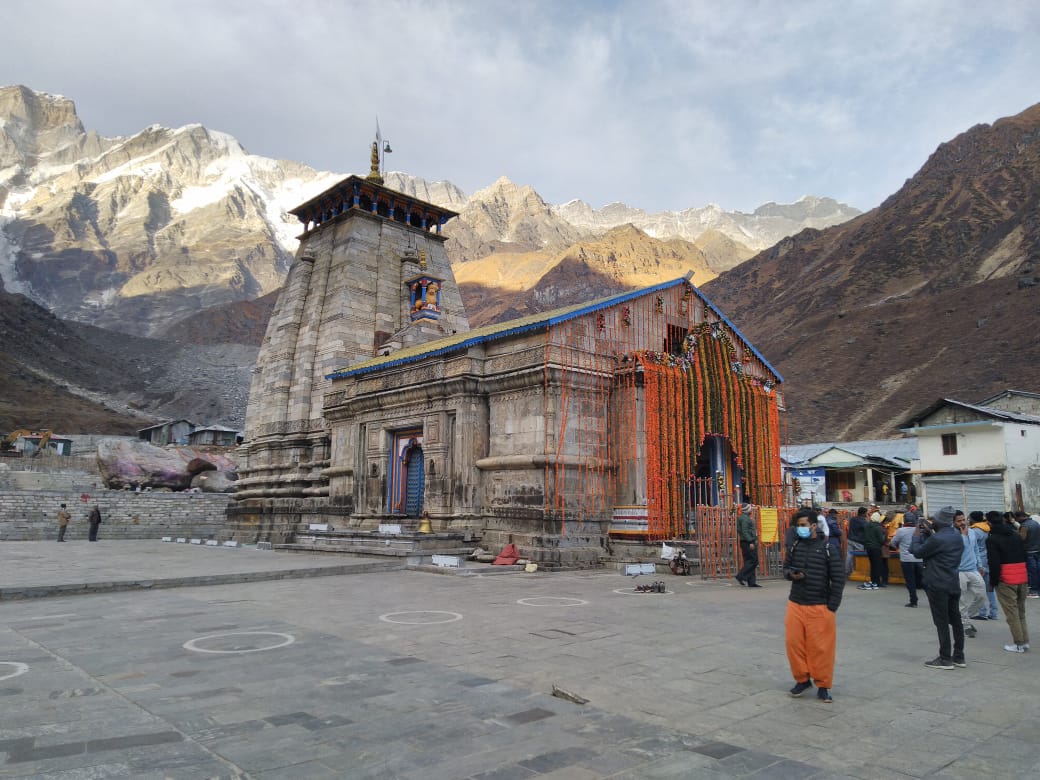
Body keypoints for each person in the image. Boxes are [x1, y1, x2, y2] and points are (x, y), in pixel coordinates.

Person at [783, 507, 845, 703]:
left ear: (813, 526)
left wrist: (832, 606)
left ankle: (823, 684)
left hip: (820, 605)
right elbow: (786, 568)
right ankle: (802, 678)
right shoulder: (794, 546)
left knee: (821, 648)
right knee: (794, 645)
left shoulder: (828, 549)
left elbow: (838, 577)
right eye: (797, 526)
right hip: (796, 603)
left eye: (803, 525)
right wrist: (791, 574)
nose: (800, 529)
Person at [911, 507, 966, 669]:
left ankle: (945, 658)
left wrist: (916, 536)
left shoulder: (937, 540)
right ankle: (959, 656)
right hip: (953, 582)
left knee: (941, 622)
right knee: (956, 621)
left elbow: (917, 552)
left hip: (937, 583)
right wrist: (930, 532)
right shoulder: (956, 536)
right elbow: (940, 547)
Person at [986, 511, 1030, 652]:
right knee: (1021, 611)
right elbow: (1024, 554)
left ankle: (1019, 644)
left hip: (1006, 578)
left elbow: (994, 563)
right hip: (1021, 575)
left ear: (989, 523)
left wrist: (993, 582)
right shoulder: (1015, 535)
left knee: (1012, 613)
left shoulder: (992, 539)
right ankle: (1025, 641)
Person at [954, 512, 986, 639]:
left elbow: (975, 549)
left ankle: (963, 618)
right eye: (959, 521)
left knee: (981, 595)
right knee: (961, 601)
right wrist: (963, 536)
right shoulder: (953, 535)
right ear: (953, 522)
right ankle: (965, 625)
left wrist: (980, 565)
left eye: (963, 520)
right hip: (959, 571)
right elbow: (962, 547)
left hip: (973, 569)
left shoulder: (972, 532)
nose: (962, 523)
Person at [968, 511, 999, 620]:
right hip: (988, 560)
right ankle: (994, 612)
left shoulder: (974, 531)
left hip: (978, 562)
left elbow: (970, 547)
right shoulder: (987, 528)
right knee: (990, 588)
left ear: (973, 519)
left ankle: (982, 613)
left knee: (978, 589)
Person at [889, 514, 924, 607]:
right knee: (923, 581)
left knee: (910, 581)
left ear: (904, 521)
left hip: (906, 559)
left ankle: (913, 601)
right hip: (919, 559)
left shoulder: (901, 531)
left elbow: (892, 543)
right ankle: (933, 601)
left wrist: (897, 546)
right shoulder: (920, 530)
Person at [735, 503, 761, 587]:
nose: (751, 509)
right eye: (750, 508)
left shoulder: (742, 518)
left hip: (745, 541)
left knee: (749, 561)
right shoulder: (745, 519)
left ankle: (751, 582)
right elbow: (745, 531)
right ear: (747, 509)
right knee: (753, 561)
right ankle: (741, 576)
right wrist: (750, 541)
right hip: (748, 542)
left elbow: (741, 530)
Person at [859, 511, 885, 590]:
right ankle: (876, 581)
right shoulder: (878, 527)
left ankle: (873, 580)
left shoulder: (866, 526)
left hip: (868, 548)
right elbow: (881, 540)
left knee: (872, 565)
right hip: (876, 548)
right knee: (877, 565)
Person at [1017, 511, 1040, 598]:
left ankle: (1034, 591)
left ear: (1020, 517)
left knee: (1032, 571)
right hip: (1037, 550)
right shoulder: (1035, 523)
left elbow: (1022, 538)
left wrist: (1017, 534)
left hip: (1029, 551)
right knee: (1037, 570)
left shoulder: (1025, 526)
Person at [846, 506, 868, 576]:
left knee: (849, 555)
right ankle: (857, 571)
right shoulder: (863, 521)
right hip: (858, 541)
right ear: (863, 513)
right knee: (858, 557)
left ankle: (848, 570)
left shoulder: (852, 519)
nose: (866, 515)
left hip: (850, 539)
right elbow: (867, 530)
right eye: (866, 513)